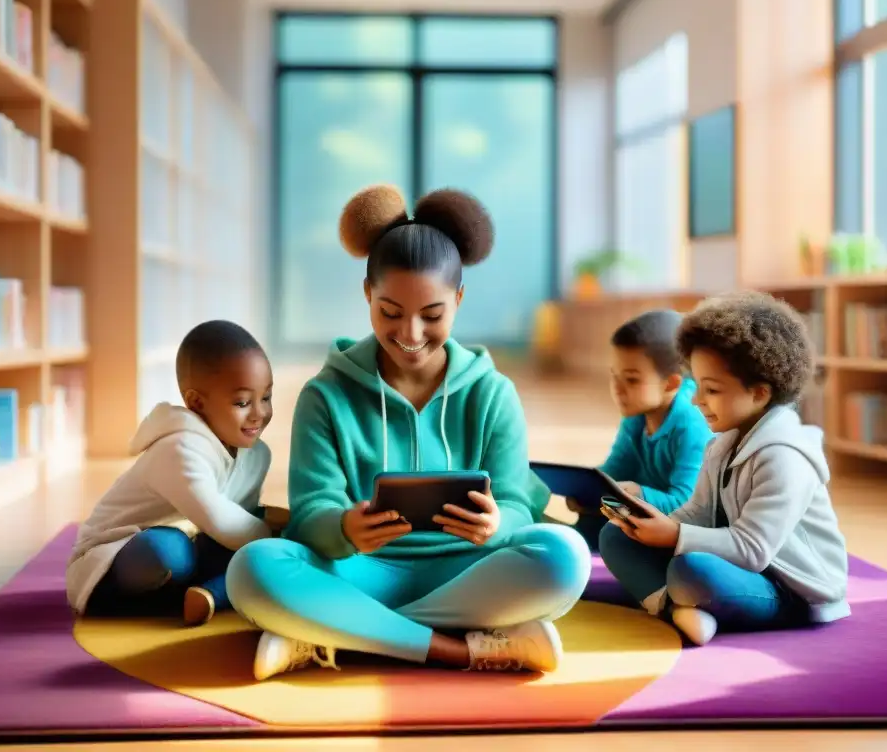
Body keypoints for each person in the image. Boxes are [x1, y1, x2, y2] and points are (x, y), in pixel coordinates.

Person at [226, 185, 592, 680]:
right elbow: (310, 512)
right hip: (356, 574)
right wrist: (343, 528)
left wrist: (495, 525)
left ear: (459, 299)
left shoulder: (493, 394)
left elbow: (514, 504)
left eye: (432, 315)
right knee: (253, 567)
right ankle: (463, 651)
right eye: (391, 313)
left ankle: (330, 633)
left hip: (469, 572)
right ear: (367, 295)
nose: (411, 334)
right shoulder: (325, 396)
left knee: (565, 556)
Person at [598, 291, 850, 646]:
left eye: (711, 390)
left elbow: (753, 549)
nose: (697, 400)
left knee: (693, 569)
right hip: (739, 566)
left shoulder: (785, 457)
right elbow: (697, 512)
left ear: (760, 393)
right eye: (697, 386)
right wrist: (650, 521)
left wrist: (673, 535)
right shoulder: (722, 442)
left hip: (791, 590)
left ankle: (678, 603)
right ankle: (676, 610)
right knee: (615, 535)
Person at [66, 320, 279, 626]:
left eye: (267, 397)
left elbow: (235, 525)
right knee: (168, 551)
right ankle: (211, 592)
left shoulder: (257, 455)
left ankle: (205, 595)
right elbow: (220, 519)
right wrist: (276, 538)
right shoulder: (179, 449)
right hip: (117, 559)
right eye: (243, 402)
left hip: (192, 544)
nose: (259, 413)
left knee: (239, 549)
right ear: (196, 402)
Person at [563, 310, 714, 548]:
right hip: (642, 520)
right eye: (614, 376)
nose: (618, 389)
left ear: (671, 383)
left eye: (632, 380)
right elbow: (615, 470)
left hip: (683, 536)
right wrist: (584, 490)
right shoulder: (636, 415)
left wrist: (638, 494)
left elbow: (688, 505)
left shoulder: (692, 422)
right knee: (586, 525)